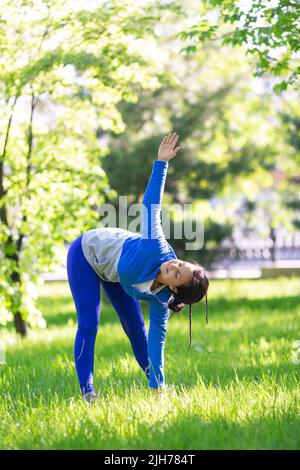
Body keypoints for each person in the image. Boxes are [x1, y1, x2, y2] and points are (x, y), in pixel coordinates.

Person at [66, 132, 209, 402]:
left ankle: (155, 389)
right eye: (180, 263)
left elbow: (157, 341)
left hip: (117, 275)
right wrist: (161, 164)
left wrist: (160, 387)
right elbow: (151, 206)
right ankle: (88, 392)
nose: (173, 264)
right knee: (89, 323)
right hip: (86, 253)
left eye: (177, 273)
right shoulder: (156, 247)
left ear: (175, 289)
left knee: (137, 330)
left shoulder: (163, 300)